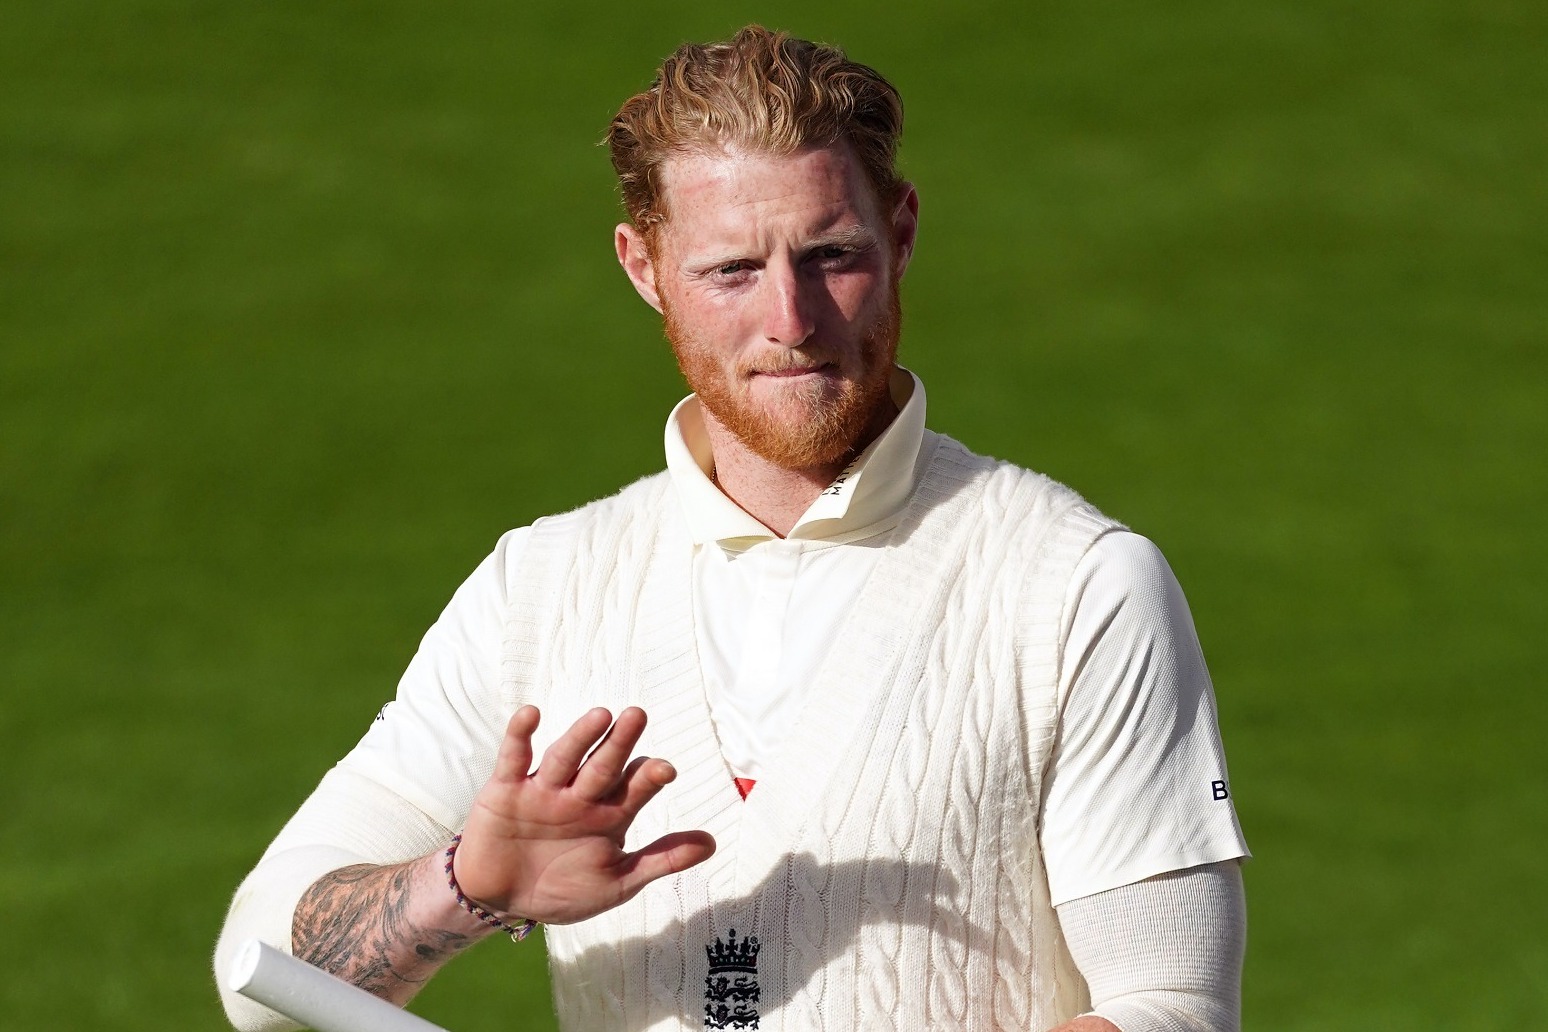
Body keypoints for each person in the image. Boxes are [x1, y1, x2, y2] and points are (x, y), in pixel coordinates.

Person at [215, 25, 1249, 1032]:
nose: (791, 320)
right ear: (644, 266)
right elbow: (254, 979)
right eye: (731, 272)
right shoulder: (541, 587)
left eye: (831, 255)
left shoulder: (1075, 585)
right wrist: (465, 890)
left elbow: (1172, 1007)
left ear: (901, 235)